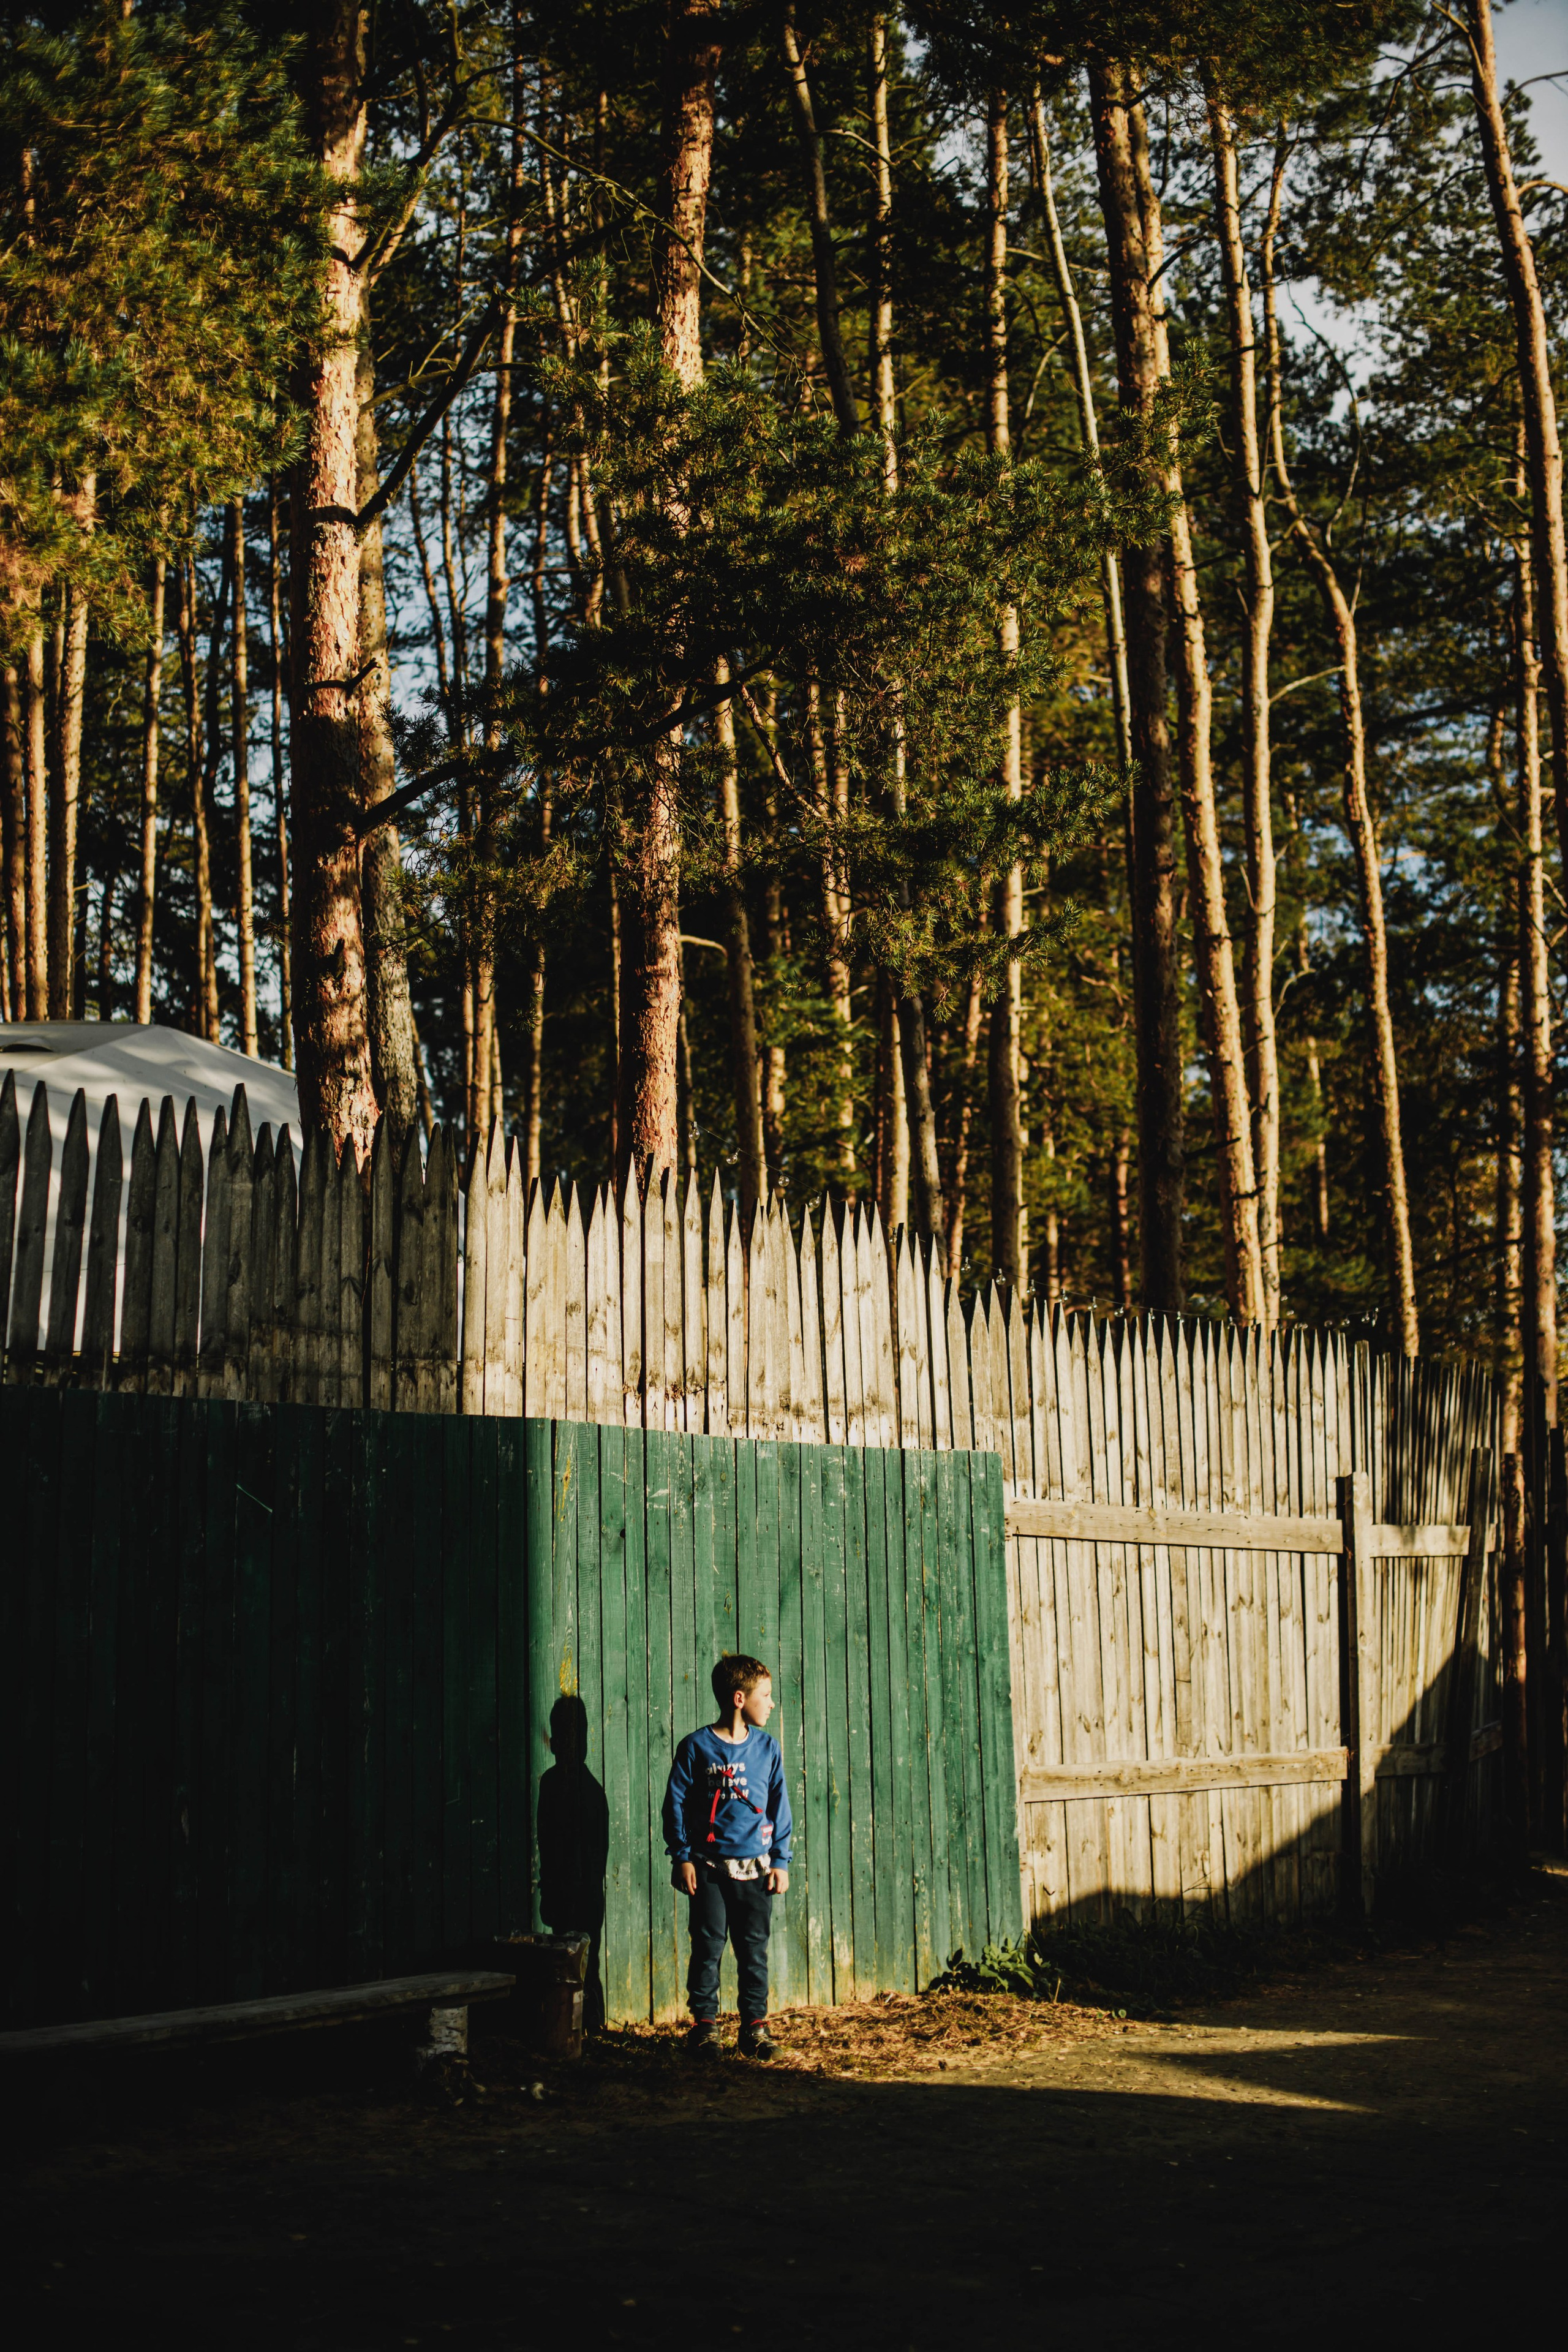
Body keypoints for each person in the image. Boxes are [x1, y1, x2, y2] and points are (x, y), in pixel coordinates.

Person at [662, 1652, 793, 2059]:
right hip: (708, 1871)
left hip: (756, 1871)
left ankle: (755, 2028)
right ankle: (705, 2029)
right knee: (707, 1948)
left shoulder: (768, 1749)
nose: (772, 1703)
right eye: (765, 1695)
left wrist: (781, 1860)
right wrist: (682, 1856)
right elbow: (675, 1804)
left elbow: (779, 1805)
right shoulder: (696, 1748)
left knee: (754, 1951)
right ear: (740, 1699)